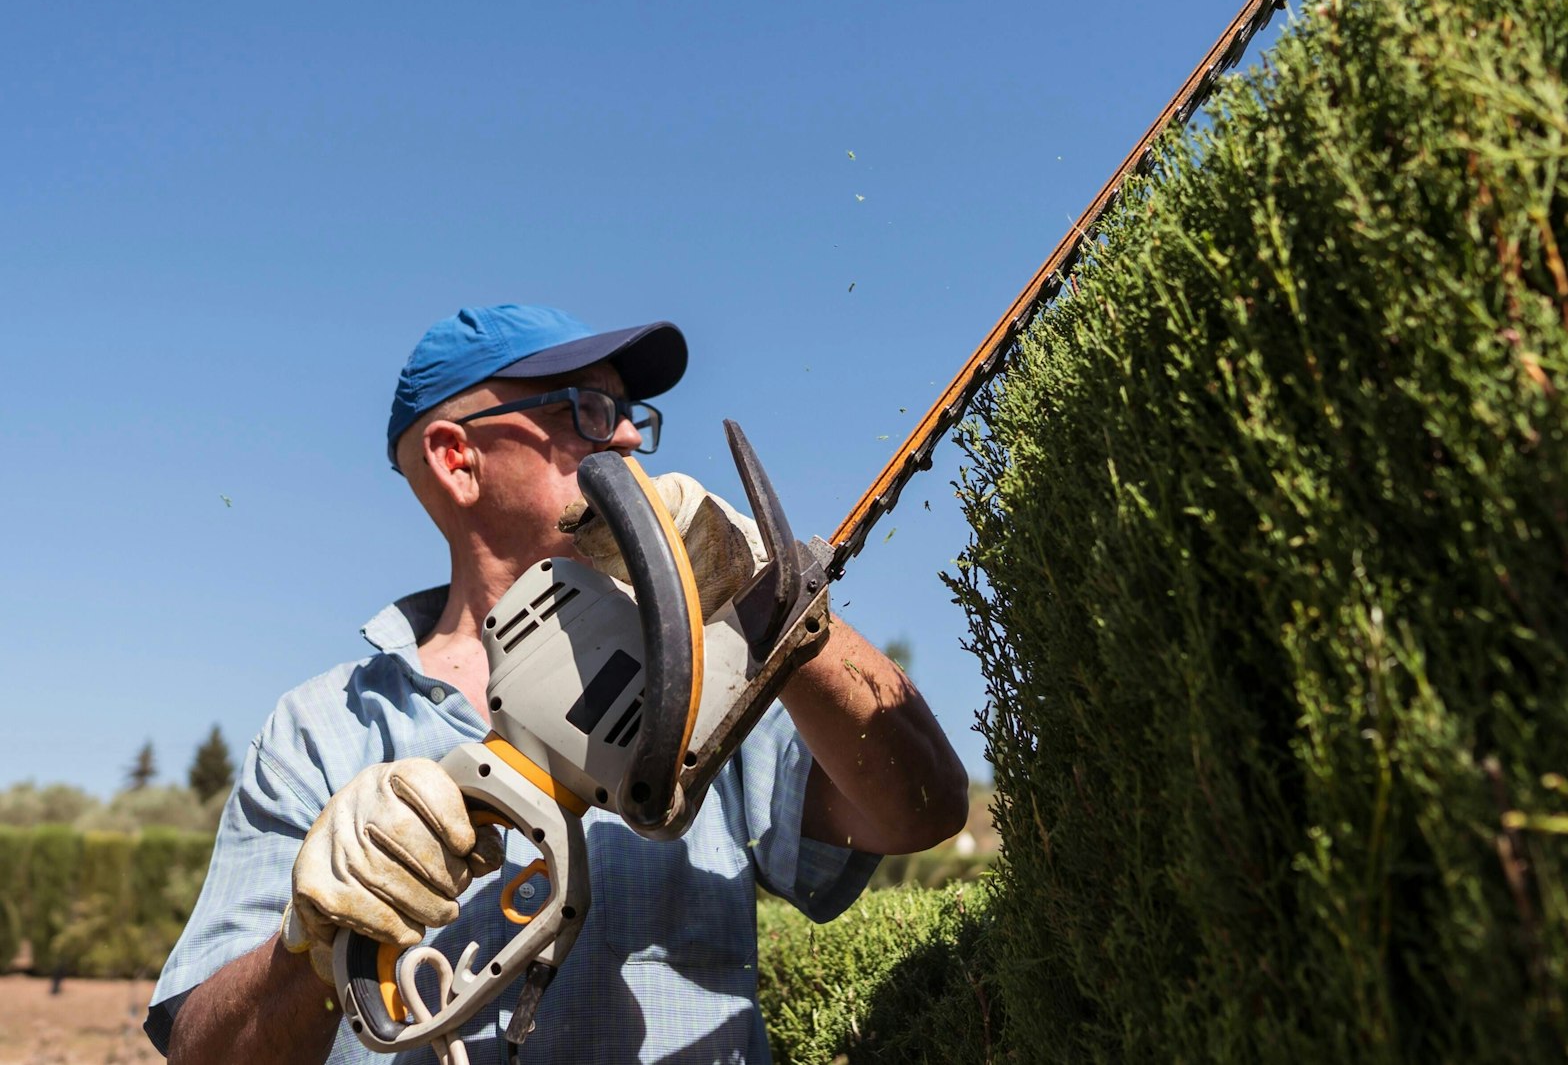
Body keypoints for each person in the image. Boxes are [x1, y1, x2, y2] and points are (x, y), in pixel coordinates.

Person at [145, 304, 969, 1063]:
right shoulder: (323, 728)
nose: (629, 442)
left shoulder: (711, 655)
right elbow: (201, 1052)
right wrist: (313, 939)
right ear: (456, 457)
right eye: (584, 408)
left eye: (629, 414)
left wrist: (767, 599)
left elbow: (922, 805)